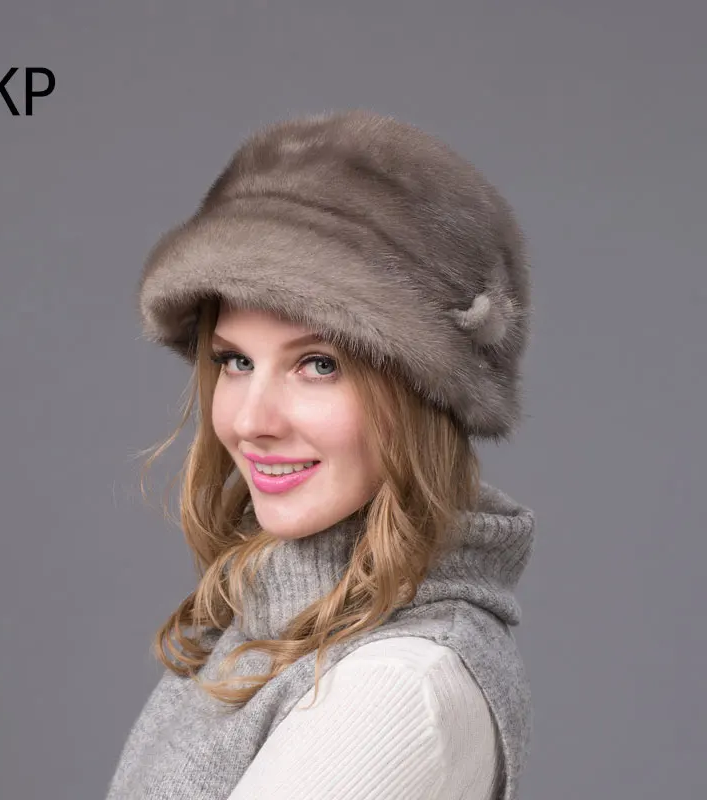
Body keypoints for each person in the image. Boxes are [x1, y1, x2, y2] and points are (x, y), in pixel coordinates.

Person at [105, 109, 536, 800]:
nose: (251, 421)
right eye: (235, 361)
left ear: (424, 391)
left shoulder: (396, 690)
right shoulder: (264, 629)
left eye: (319, 364)